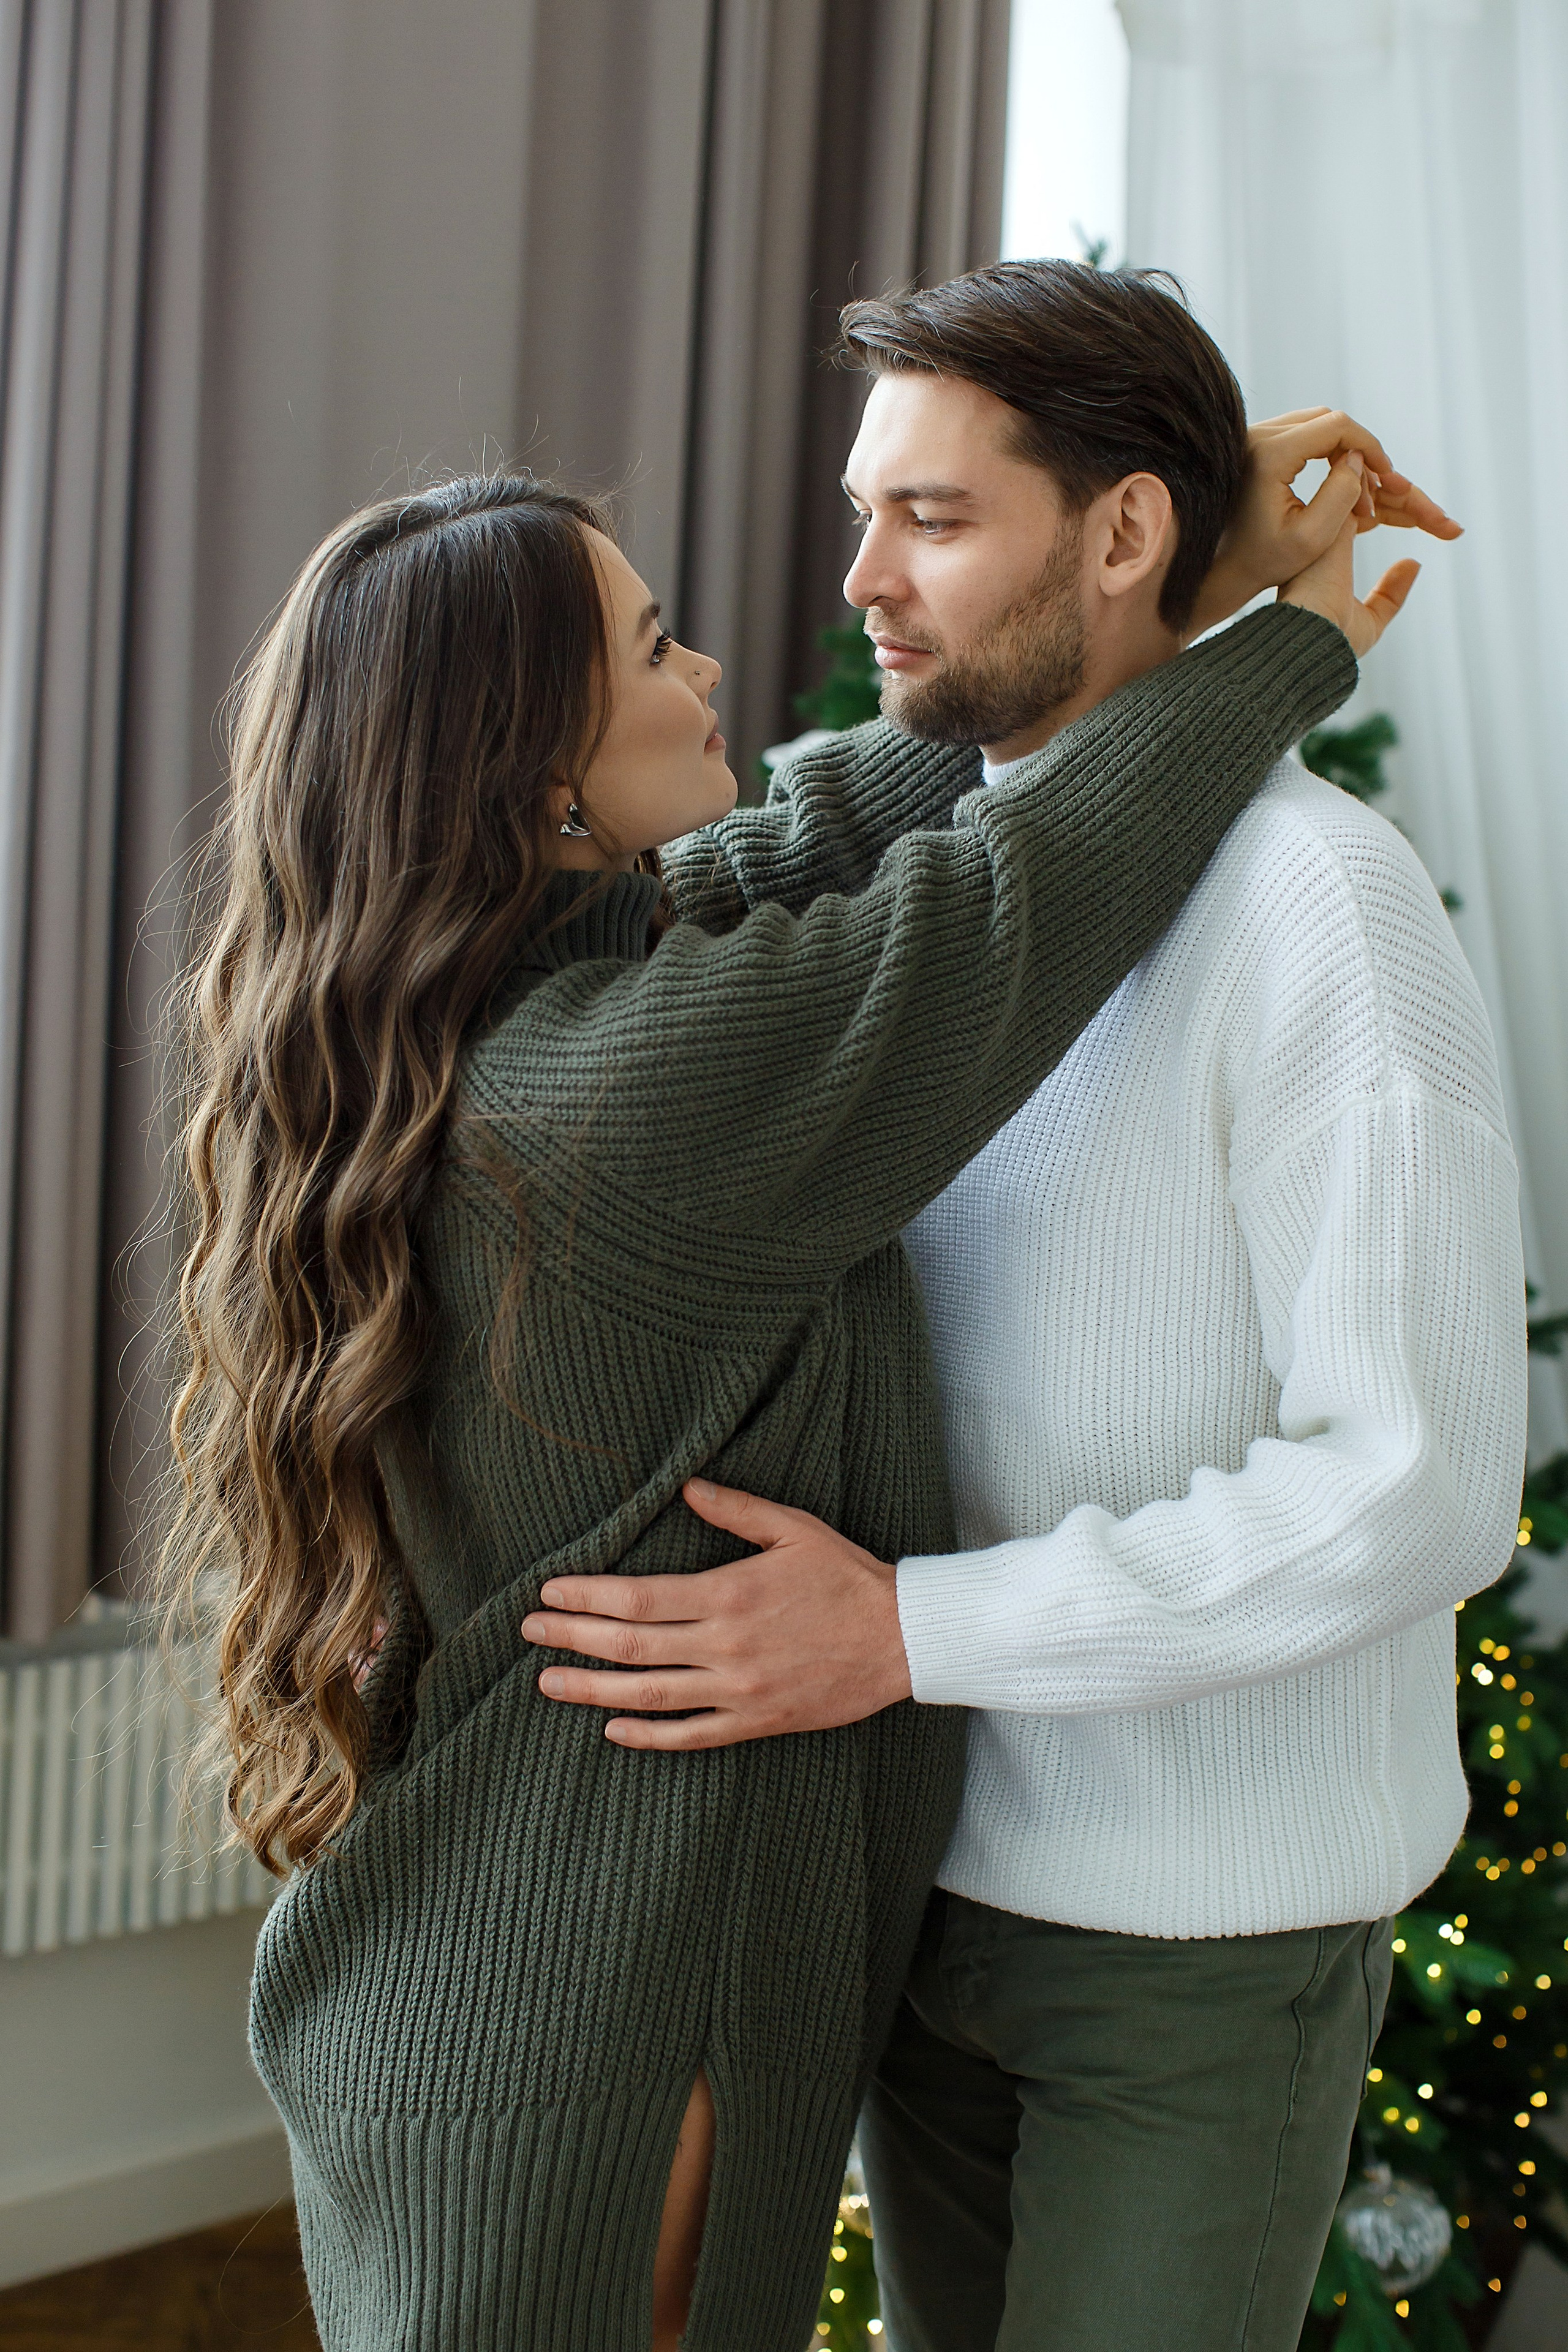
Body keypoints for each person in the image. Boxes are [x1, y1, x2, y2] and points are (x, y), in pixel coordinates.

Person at [166, 351, 1423, 2345]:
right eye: (657, 647)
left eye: (923, 521)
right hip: (583, 2016)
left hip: (501, 1968)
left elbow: (830, 830)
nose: (722, 671)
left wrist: (1153, 598)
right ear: (540, 782)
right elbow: (1005, 899)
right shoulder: (616, 1097)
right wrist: (1295, 640)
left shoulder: (503, 998)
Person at [518, 263, 1521, 2351]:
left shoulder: (1321, 913)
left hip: (1192, 1941)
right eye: (867, 511)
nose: (863, 578)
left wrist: (909, 1630)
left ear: (1127, 532)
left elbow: (1418, 1493)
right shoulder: (904, 888)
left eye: (937, 519)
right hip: (914, 1883)